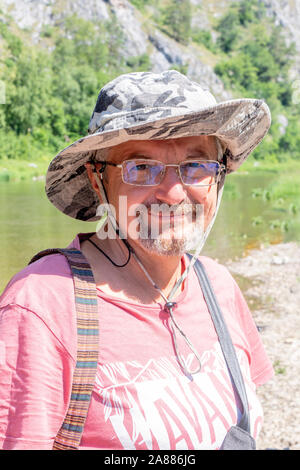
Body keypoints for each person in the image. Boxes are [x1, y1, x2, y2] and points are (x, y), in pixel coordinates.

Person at [0, 70, 274, 450]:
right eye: (141, 167)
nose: (174, 193)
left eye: (197, 166)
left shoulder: (219, 286)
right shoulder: (43, 304)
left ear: (219, 178)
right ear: (99, 181)